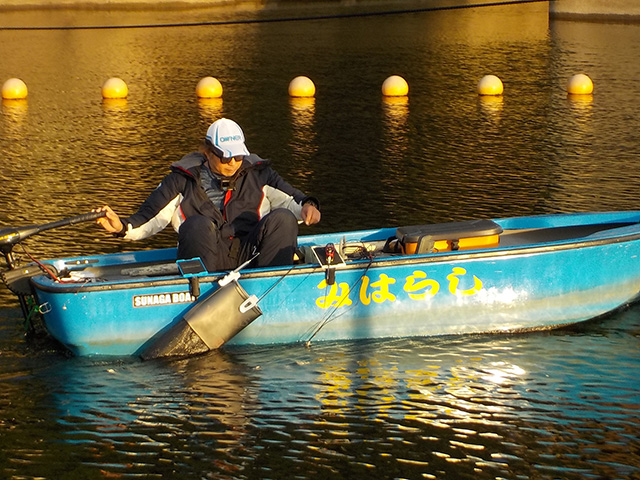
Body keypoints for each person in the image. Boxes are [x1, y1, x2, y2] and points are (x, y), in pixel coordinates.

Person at [95, 118, 321, 272]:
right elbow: (149, 217)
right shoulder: (181, 179)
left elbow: (295, 202)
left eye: (238, 157)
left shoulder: (261, 174)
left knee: (284, 218)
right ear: (208, 152)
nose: (232, 163)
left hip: (249, 254)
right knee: (197, 225)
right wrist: (121, 227)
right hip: (205, 256)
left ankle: (272, 288)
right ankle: (200, 294)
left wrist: (309, 207)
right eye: (224, 157)